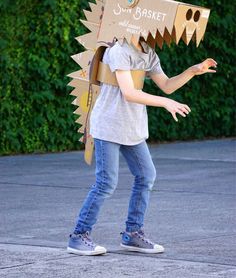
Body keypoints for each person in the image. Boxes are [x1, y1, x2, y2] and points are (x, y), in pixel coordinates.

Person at [67, 37, 217, 256]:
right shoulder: (119, 50)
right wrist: (166, 103)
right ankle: (78, 236)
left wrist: (192, 71)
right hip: (109, 125)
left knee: (146, 175)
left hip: (132, 128)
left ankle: (133, 234)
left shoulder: (148, 52)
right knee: (106, 182)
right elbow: (129, 92)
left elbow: (166, 85)